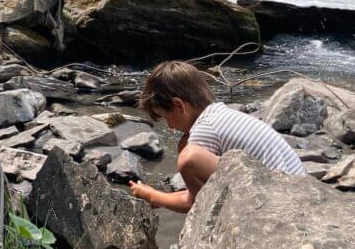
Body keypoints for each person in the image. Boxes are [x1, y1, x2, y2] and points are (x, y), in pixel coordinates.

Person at [128, 60, 304, 213]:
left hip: (281, 200)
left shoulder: (204, 129)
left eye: (166, 117)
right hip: (299, 189)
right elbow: (205, 190)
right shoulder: (219, 115)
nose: (169, 126)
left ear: (178, 105)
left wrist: (153, 196)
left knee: (188, 158)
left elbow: (197, 202)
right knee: (187, 150)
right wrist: (165, 197)